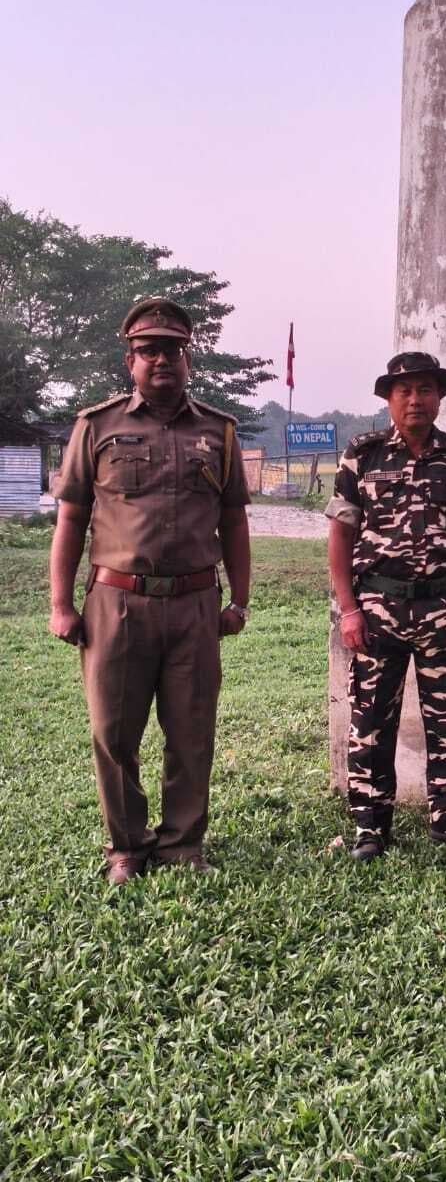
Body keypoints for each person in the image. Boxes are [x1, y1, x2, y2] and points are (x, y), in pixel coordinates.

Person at [48, 297, 251, 885]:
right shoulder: (98, 426)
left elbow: (234, 519)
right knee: (113, 732)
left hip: (194, 604)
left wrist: (238, 599)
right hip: (116, 603)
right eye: (149, 350)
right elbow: (70, 519)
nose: (162, 359)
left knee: (191, 730)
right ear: (130, 359)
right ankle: (128, 846)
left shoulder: (219, 430)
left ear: (189, 356)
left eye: (173, 349)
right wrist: (62, 605)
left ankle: (183, 843)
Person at [325, 351, 446, 861]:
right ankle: (370, 830)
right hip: (378, 608)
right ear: (388, 399)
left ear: (440, 397)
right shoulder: (364, 453)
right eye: (405, 390)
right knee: (371, 722)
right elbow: (340, 532)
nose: (415, 399)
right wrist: (348, 608)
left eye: (425, 389)